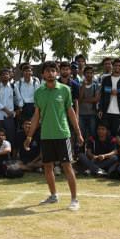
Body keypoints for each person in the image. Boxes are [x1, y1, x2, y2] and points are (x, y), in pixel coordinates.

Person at [26, 61, 84, 211]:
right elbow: (36, 116)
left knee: (67, 166)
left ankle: (74, 199)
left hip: (63, 134)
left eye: (53, 71)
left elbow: (71, 113)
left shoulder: (65, 90)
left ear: (57, 73)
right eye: (47, 71)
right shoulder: (39, 92)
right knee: (48, 166)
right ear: (43, 74)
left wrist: (78, 133)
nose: (51, 74)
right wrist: (29, 136)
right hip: (46, 135)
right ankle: (53, 195)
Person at [76, 65, 101, 141]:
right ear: (84, 74)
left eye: (91, 73)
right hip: (81, 114)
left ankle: (91, 148)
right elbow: (79, 100)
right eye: (87, 73)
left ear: (93, 74)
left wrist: (83, 100)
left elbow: (96, 99)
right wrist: (83, 86)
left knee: (92, 133)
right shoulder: (79, 84)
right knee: (81, 133)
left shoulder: (96, 85)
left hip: (92, 113)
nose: (89, 75)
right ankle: (81, 149)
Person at [0, 68, 19, 135]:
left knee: (10, 135)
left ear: (9, 75)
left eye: (7, 74)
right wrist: (7, 110)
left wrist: (19, 109)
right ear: (0, 77)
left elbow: (19, 99)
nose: (5, 76)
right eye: (3, 74)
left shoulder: (13, 86)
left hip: (10, 116)